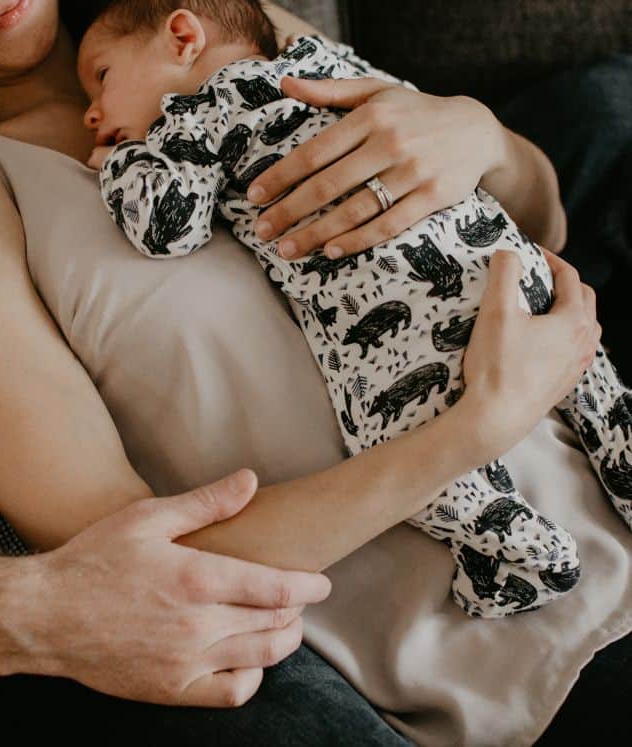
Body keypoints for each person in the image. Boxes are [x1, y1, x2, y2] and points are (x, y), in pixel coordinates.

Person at [0, 1, 626, 743]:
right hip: (501, 646)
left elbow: (548, 222)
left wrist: (479, 135)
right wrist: (474, 430)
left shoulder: (223, 26)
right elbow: (139, 574)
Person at [78, 0, 631, 617]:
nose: (91, 112)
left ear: (183, 37)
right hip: (501, 256)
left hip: (406, 315)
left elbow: (166, 229)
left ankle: (524, 555)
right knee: (594, 388)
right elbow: (418, 114)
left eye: (102, 77)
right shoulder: (322, 63)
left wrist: (124, 163)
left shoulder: (193, 117)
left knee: (399, 445)